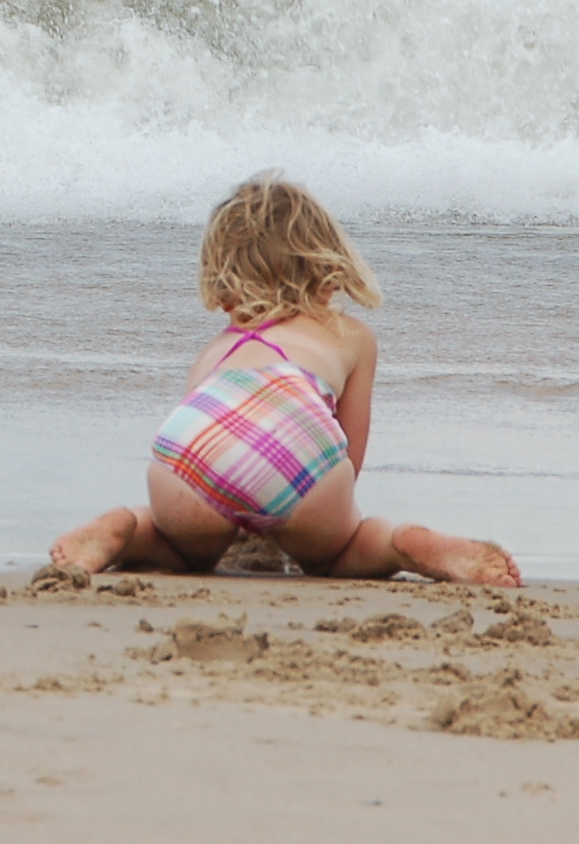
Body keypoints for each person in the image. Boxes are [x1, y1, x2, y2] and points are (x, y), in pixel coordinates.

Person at [48, 175, 520, 584]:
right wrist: (304, 512)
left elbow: (205, 422)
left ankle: (125, 530)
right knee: (339, 552)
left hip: (192, 451)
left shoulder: (215, 349)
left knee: (182, 550)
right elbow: (348, 459)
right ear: (326, 262)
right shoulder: (351, 336)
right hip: (301, 453)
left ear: (223, 277)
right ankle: (404, 545)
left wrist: (237, 505)